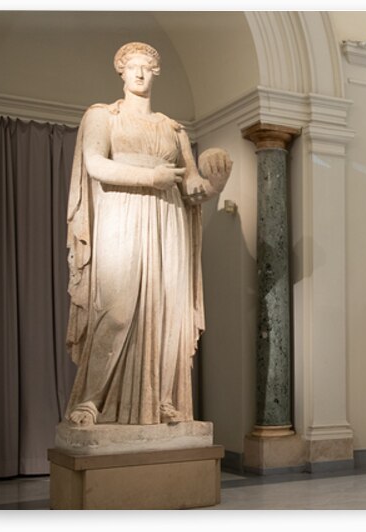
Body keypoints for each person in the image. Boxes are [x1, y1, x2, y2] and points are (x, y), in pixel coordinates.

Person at [64, 42, 232, 425]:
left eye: (147, 67)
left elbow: (192, 188)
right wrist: (150, 177)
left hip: (167, 219)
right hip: (122, 213)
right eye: (132, 67)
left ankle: (160, 400)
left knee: (167, 312)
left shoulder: (173, 129)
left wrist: (216, 185)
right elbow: (95, 164)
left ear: (155, 73)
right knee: (118, 311)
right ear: (121, 72)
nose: (139, 73)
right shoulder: (102, 116)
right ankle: (92, 401)